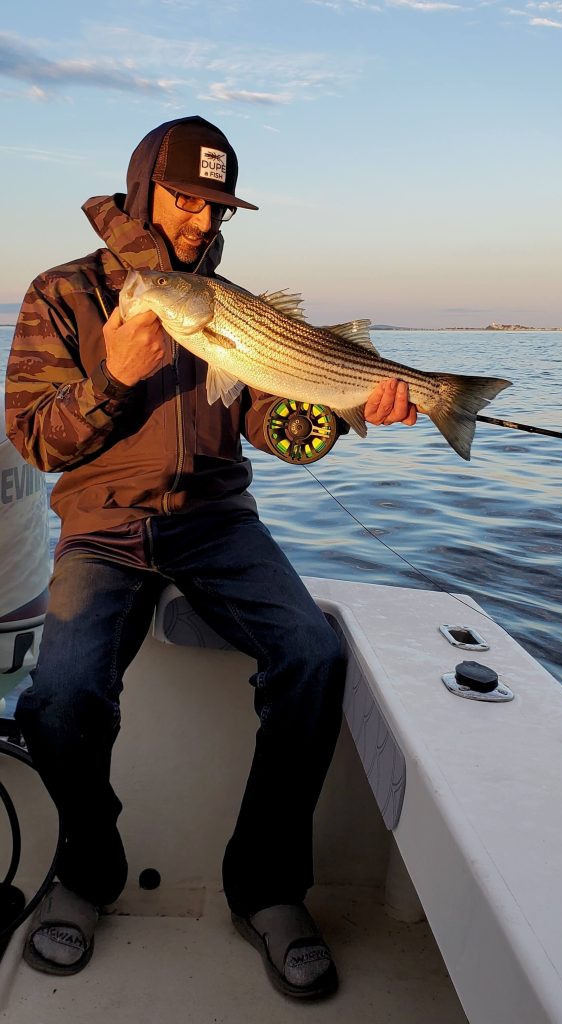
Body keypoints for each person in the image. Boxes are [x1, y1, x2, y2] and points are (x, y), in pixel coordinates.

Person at [4, 115, 417, 998]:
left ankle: (266, 888)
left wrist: (341, 409)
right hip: (104, 526)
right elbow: (36, 440)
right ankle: (88, 869)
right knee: (61, 693)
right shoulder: (62, 293)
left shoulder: (237, 308)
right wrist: (113, 373)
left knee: (311, 652)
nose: (199, 218)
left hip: (216, 522)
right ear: (143, 184)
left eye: (215, 202)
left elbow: (272, 424)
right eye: (184, 196)